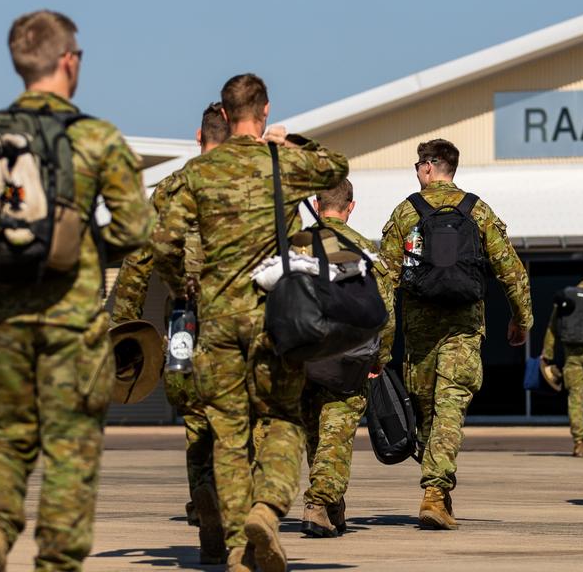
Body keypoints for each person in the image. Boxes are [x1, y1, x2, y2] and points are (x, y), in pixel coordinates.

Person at [0, 10, 153, 571]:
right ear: (68, 61)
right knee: (69, 450)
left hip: (0, 321)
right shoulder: (95, 137)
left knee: (3, 441)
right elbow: (136, 228)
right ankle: (56, 564)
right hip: (70, 323)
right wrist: (83, 245)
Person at [152, 74, 348, 572]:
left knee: (228, 434)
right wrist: (288, 140)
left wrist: (183, 286)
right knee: (281, 418)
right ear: (263, 110)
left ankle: (240, 549)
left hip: (215, 323)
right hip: (271, 317)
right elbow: (336, 169)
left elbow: (164, 243)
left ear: (223, 110)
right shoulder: (278, 162)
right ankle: (267, 509)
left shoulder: (199, 172)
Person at [380, 139, 533, 531]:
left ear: (430, 167)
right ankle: (437, 492)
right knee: (448, 409)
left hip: (420, 334)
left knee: (431, 410)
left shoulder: (405, 213)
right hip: (464, 329)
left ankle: (436, 490)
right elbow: (511, 270)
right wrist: (521, 320)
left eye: (418, 164)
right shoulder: (477, 210)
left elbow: (385, 283)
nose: (416, 171)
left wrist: (382, 341)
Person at [110, 101, 229, 563]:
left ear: (198, 138)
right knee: (248, 421)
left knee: (198, 425)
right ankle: (244, 508)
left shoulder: (171, 188)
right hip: (243, 322)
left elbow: (137, 263)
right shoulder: (256, 182)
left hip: (185, 320)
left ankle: (207, 505)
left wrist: (125, 333)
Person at [298, 178, 395, 538]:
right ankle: (320, 503)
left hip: (305, 357)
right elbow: (386, 310)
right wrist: (380, 357)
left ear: (315, 203)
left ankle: (331, 502)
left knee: (315, 435)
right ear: (350, 206)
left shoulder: (299, 245)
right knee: (335, 435)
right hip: (350, 359)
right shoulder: (365, 249)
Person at [540, 262, 583, 457]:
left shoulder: (565, 297)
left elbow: (552, 327)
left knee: (575, 398)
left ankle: (578, 443)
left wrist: (548, 356)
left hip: (571, 355)